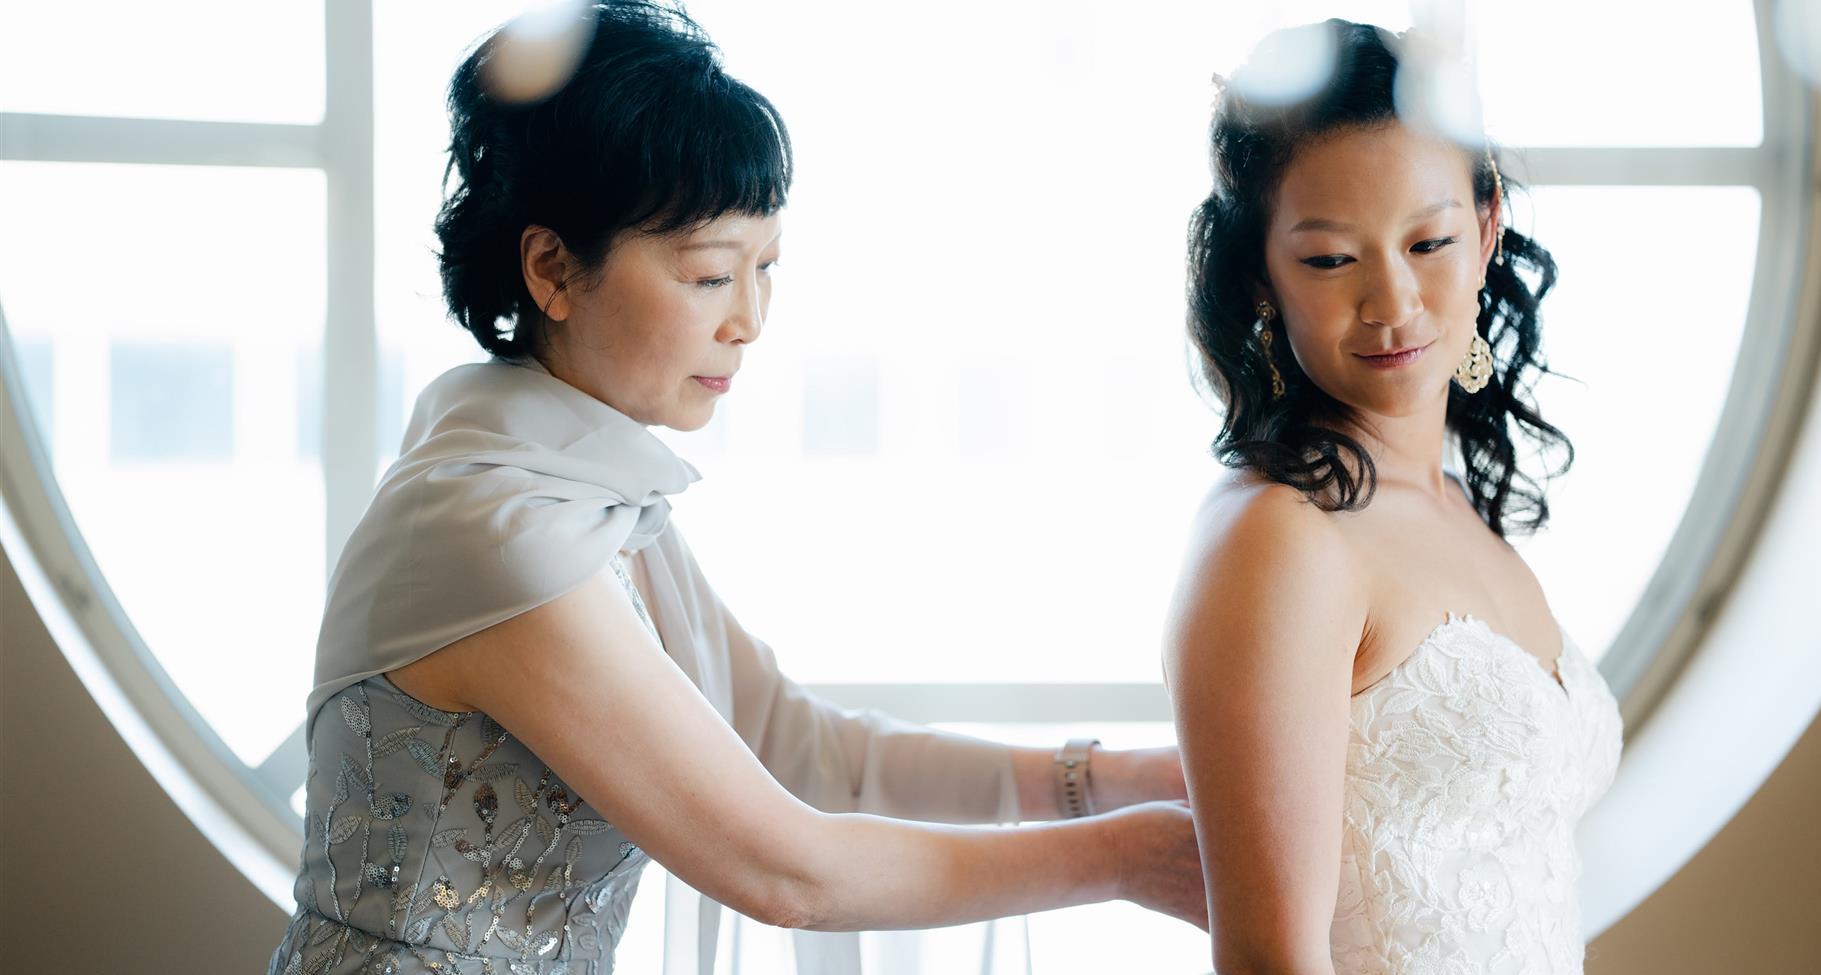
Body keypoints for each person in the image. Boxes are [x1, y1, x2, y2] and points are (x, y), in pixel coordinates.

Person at [265, 4, 1200, 973]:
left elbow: (803, 749)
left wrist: (1103, 778)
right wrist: (1123, 857)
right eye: (711, 274)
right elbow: (788, 873)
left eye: (768, 269)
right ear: (552, 269)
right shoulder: (498, 528)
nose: (749, 320)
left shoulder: (586, 494)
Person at [1165, 19, 1623, 975]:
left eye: (1429, 241)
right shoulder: (1279, 536)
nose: (1393, 302)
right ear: (1261, 275)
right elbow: (1270, 960)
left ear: (1488, 228)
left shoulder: (1459, 506)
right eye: (1332, 259)